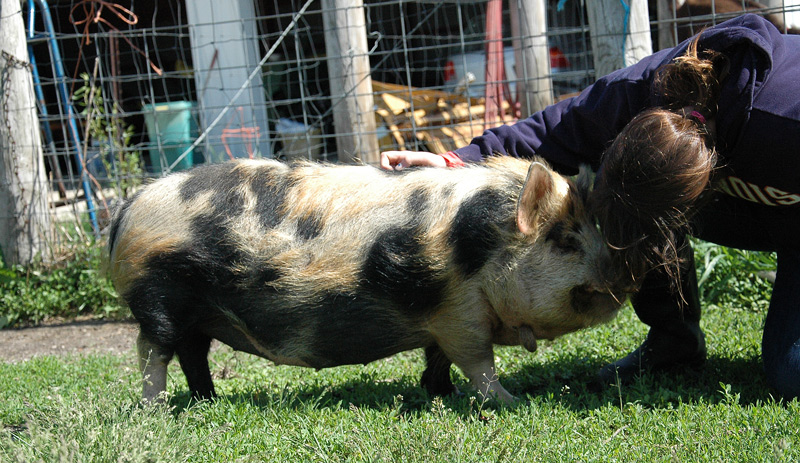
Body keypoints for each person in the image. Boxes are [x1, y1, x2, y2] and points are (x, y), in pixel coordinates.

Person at [380, 14, 800, 398]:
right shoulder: (640, 95)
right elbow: (556, 129)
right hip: (756, 196)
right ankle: (674, 344)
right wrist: (455, 161)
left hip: (781, 184)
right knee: (632, 213)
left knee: (791, 373)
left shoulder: (785, 122)